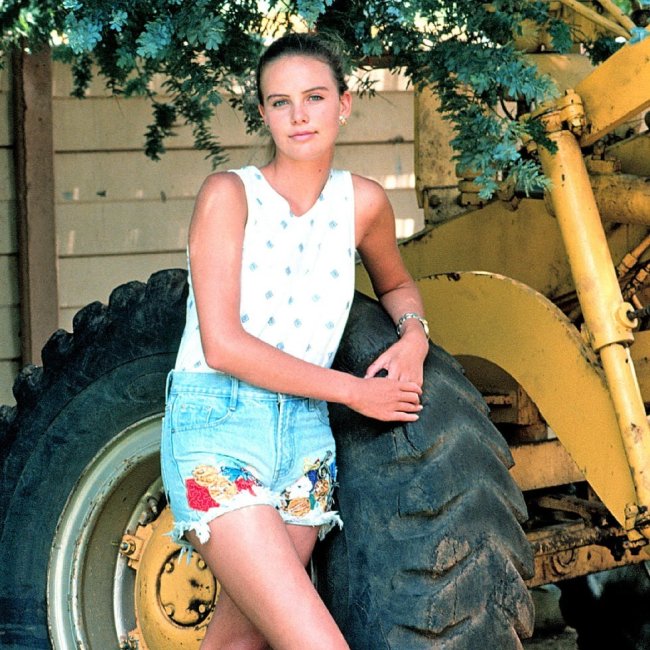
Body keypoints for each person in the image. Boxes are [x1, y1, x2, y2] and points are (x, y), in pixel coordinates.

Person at [160, 32, 430, 649]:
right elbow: (223, 345)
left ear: (344, 104)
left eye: (314, 97)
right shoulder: (229, 195)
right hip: (219, 429)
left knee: (239, 642)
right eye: (280, 102)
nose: (299, 115)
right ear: (263, 113)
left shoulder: (363, 203)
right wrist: (354, 392)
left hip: (306, 441)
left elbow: (397, 284)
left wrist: (414, 336)